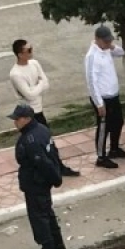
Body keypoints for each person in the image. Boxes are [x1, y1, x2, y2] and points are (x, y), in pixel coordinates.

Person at [9, 39, 79, 178]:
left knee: (48, 140)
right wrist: (39, 85)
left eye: (31, 49)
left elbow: (46, 83)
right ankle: (42, 169)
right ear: (20, 54)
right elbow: (29, 95)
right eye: (28, 50)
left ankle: (57, 166)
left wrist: (37, 86)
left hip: (39, 109)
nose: (31, 52)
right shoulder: (15, 73)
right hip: (29, 113)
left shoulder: (34, 63)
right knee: (34, 143)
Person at [10, 104, 66, 249]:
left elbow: (44, 163)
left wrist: (55, 178)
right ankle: (58, 245)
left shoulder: (30, 140)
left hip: (36, 184)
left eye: (17, 119)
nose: (15, 122)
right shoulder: (41, 129)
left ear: (27, 119)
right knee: (47, 213)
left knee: (39, 219)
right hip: (41, 182)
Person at [84, 24, 125, 168]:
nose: (108, 43)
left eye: (109, 40)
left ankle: (114, 149)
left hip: (113, 95)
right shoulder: (92, 56)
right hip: (102, 98)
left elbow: (121, 52)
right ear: (97, 39)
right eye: (105, 41)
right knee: (104, 127)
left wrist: (111, 46)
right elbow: (92, 81)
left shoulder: (107, 49)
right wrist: (99, 103)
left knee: (118, 122)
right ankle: (101, 156)